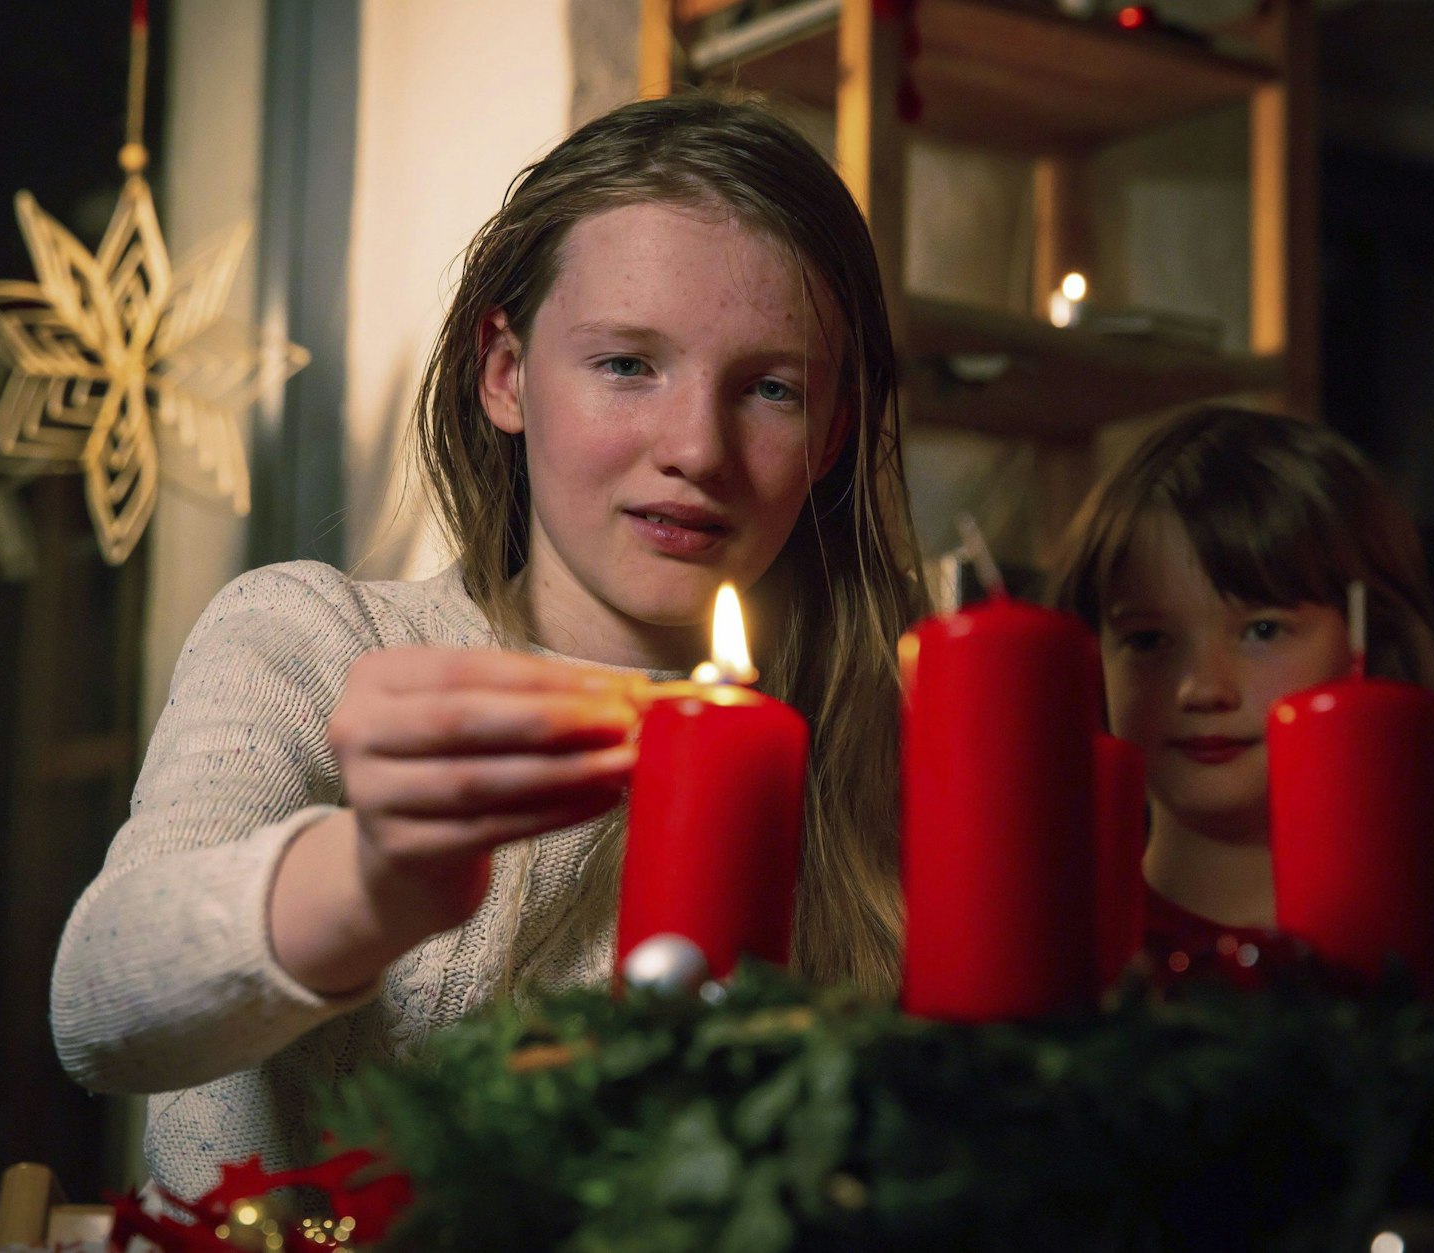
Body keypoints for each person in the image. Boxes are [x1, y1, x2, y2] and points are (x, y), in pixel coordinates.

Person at [51, 91, 926, 1199]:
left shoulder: (872, 745)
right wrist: (372, 882)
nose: (696, 447)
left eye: (770, 387)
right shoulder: (313, 640)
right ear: (505, 372)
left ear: (834, 426)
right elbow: (100, 1009)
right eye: (626, 365)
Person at [1047, 405, 1434, 1021]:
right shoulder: (1044, 962)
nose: (1202, 690)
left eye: (1262, 630)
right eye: (1149, 640)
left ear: (1369, 646)